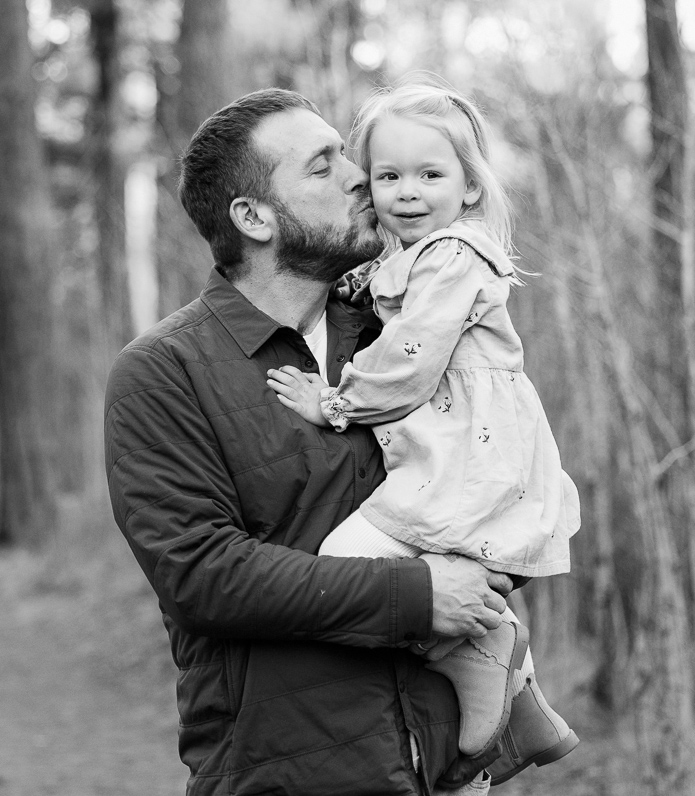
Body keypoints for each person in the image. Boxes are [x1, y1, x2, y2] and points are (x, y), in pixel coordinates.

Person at [104, 87, 518, 796]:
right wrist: (417, 595)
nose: (361, 176)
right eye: (324, 166)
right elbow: (203, 575)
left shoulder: (404, 332)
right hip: (287, 770)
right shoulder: (164, 371)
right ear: (253, 217)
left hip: (448, 767)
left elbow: (492, 471)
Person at [266, 75, 582, 782]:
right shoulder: (415, 258)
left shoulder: (453, 257)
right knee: (423, 578)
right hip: (455, 449)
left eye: (430, 175)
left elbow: (412, 357)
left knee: (348, 564)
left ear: (469, 187)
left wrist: (336, 404)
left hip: (466, 456)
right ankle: (523, 705)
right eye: (388, 176)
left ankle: (481, 651)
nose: (407, 192)